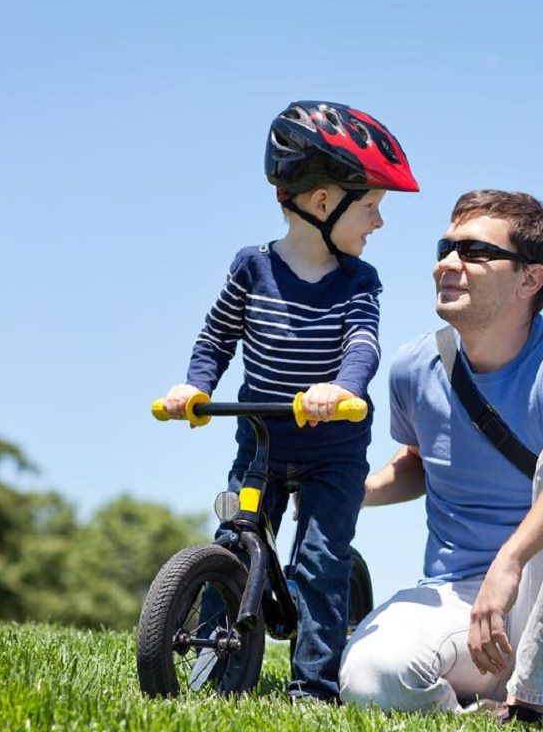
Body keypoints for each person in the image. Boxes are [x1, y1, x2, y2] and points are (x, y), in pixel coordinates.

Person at [339, 190, 543, 726]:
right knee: (370, 676)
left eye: (474, 252)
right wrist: (349, 493)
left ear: (531, 279)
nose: (446, 264)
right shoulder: (417, 364)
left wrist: (511, 559)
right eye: (445, 247)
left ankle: (535, 698)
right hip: (462, 605)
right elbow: (420, 460)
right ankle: (479, 716)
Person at [160, 100, 419, 702]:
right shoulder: (252, 268)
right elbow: (217, 336)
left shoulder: (360, 281)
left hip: (333, 447)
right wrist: (195, 387)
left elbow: (362, 343)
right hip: (262, 440)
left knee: (321, 564)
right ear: (323, 203)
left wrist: (343, 388)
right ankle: (215, 670)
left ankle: (313, 688)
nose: (379, 223)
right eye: (373, 207)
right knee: (234, 541)